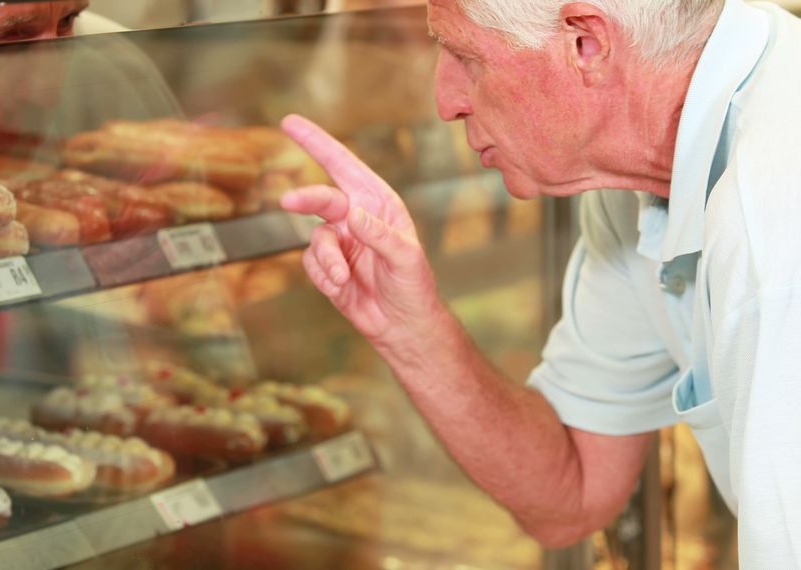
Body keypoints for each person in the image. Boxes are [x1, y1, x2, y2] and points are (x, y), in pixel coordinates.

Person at [279, 0, 801, 565]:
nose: (445, 102)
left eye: (464, 55)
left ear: (586, 44)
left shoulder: (773, 215)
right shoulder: (635, 192)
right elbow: (572, 492)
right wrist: (409, 327)